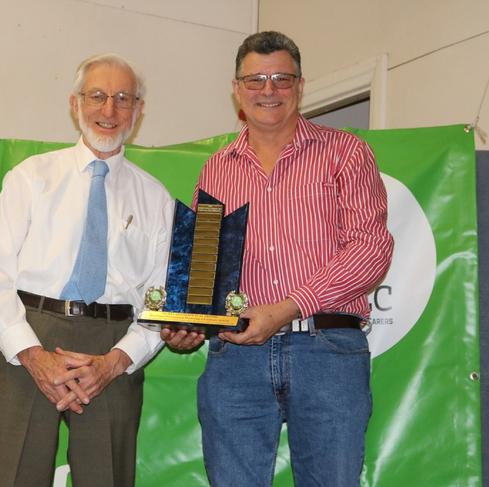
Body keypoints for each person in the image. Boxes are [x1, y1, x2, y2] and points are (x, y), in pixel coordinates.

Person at [162, 31, 394, 486]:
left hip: (326, 352)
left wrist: (288, 306)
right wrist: (190, 321)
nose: (268, 90)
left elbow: (371, 249)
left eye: (281, 79)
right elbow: (205, 264)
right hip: (236, 356)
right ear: (236, 89)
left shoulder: (346, 153)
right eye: (256, 80)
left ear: (301, 86)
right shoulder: (216, 168)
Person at [0, 53, 173, 487]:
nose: (109, 110)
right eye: (97, 96)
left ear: (138, 111)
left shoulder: (156, 200)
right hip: (30, 339)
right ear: (74, 103)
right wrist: (32, 354)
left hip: (112, 348)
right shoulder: (30, 177)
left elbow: (161, 301)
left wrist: (117, 362)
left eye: (123, 98)